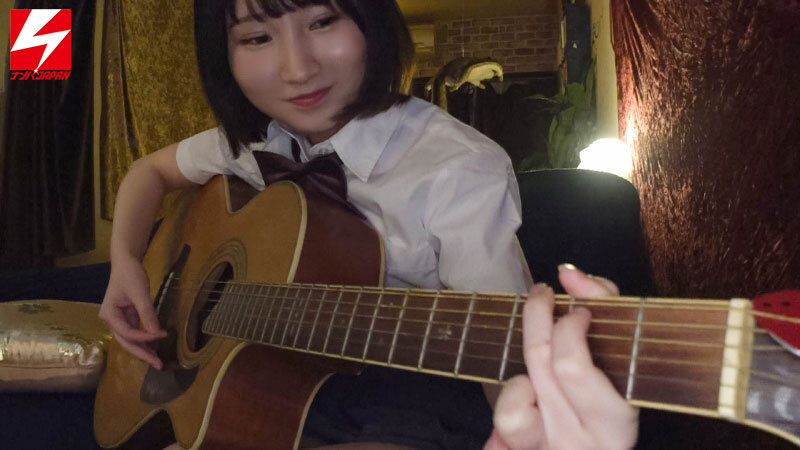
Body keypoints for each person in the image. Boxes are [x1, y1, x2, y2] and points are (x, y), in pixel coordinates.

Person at [98, 0, 638, 448]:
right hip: (274, 385)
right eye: (257, 38)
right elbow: (149, 172)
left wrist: (536, 422)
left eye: (323, 21)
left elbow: (504, 359)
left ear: (373, 21)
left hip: (406, 405)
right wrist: (124, 262)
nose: (297, 69)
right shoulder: (257, 139)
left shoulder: (457, 168)